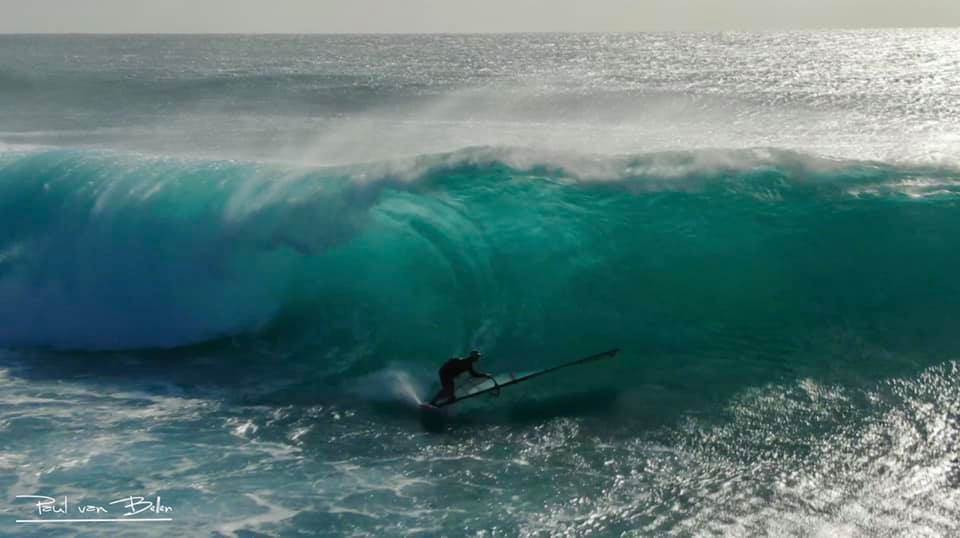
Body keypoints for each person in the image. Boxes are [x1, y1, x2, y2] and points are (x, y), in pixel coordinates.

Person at [428, 350, 495, 406]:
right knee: (448, 388)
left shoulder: (468, 364)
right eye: (477, 357)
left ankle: (448, 399)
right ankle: (432, 402)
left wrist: (485, 375)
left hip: (447, 374)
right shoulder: (463, 361)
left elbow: (474, 374)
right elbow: (451, 362)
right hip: (444, 372)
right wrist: (453, 373)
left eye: (478, 357)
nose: (478, 358)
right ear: (473, 357)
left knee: (450, 390)